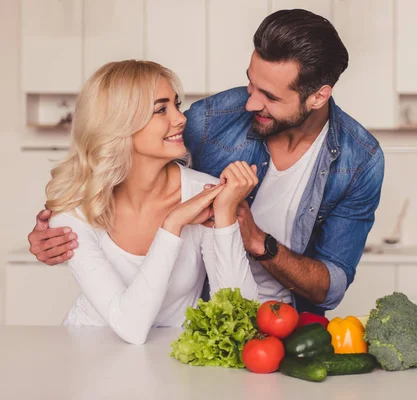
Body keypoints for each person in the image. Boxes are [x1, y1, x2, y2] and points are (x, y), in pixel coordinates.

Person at [28, 9, 385, 316]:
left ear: (318, 96)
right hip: (201, 320)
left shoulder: (360, 159)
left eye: (270, 97)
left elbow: (331, 285)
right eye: (251, 84)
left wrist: (258, 241)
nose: (250, 104)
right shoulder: (210, 118)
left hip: (291, 326)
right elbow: (131, 172)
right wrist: (66, 228)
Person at [42, 60, 260, 345]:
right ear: (119, 123)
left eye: (175, 105)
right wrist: (173, 223)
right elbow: (130, 327)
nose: (181, 118)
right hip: (88, 352)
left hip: (171, 362)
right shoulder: (75, 210)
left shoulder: (201, 190)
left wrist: (226, 217)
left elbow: (241, 315)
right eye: (161, 109)